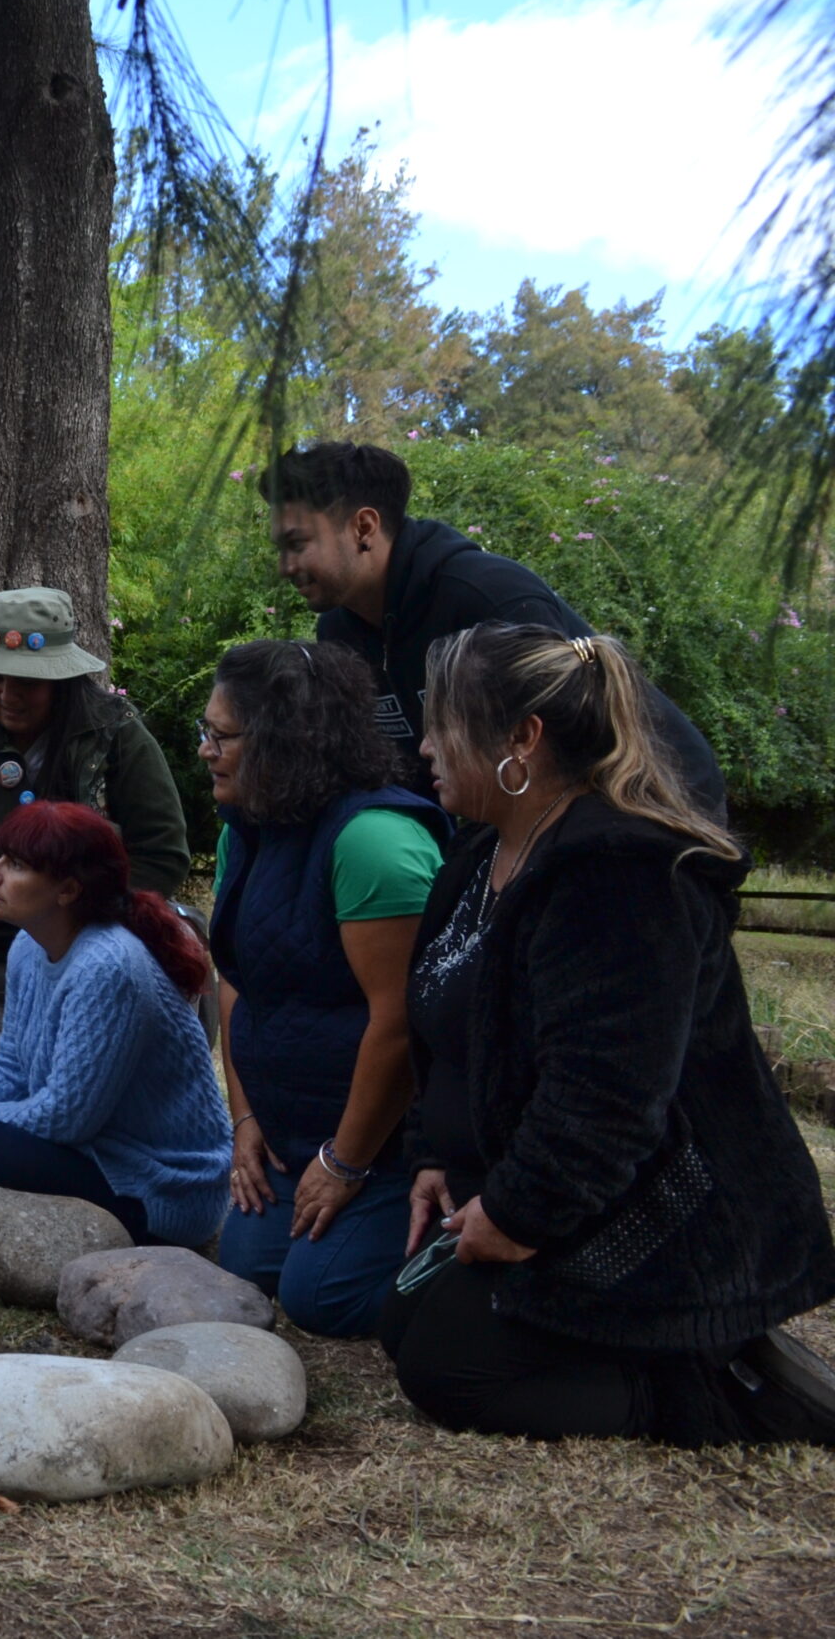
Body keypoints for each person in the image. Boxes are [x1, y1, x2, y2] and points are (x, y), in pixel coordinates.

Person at [380, 623, 835, 1444]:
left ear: (522, 738)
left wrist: (516, 1214)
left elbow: (607, 1101)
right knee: (406, 1318)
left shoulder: (620, 876)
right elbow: (446, 1032)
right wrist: (433, 1155)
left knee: (449, 1365)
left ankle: (711, 1383)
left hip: (668, 1210)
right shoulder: (482, 852)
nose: (425, 746)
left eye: (444, 723)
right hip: (572, 1189)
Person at [265, 440, 727, 815]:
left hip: (657, 809)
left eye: (297, 543)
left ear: (364, 526)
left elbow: (568, 758)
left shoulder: (487, 598)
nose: (285, 567)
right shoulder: (340, 634)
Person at [206, 640, 448, 1336]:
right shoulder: (243, 830)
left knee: (323, 1298)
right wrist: (245, 1120)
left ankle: (465, 1253)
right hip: (292, 1129)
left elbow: (402, 1022)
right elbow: (237, 979)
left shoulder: (373, 840)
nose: (205, 750)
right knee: (249, 1261)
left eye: (220, 736)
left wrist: (344, 1162)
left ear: (283, 740)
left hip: (389, 1145)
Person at [0, 801, 230, 1249]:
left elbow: (66, 1119)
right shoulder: (29, 943)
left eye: (16, 864)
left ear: (67, 890)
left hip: (155, 1186)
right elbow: (12, 1067)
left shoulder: (107, 966)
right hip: (89, 1134)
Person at [0, 586, 188, 1063]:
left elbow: (163, 852)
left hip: (86, 970)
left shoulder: (116, 738)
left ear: (62, 681)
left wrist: (88, 928)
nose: (8, 696)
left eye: (27, 683)